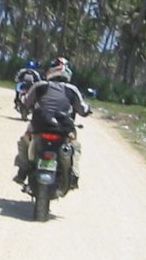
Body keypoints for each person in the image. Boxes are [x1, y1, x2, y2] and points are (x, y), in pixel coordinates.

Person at [12, 57, 91, 187]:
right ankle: (74, 176)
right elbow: (83, 110)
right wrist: (88, 109)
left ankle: (22, 171)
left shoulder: (40, 85)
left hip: (39, 126)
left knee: (23, 141)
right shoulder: (72, 90)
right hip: (63, 128)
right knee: (75, 147)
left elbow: (25, 101)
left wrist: (23, 99)